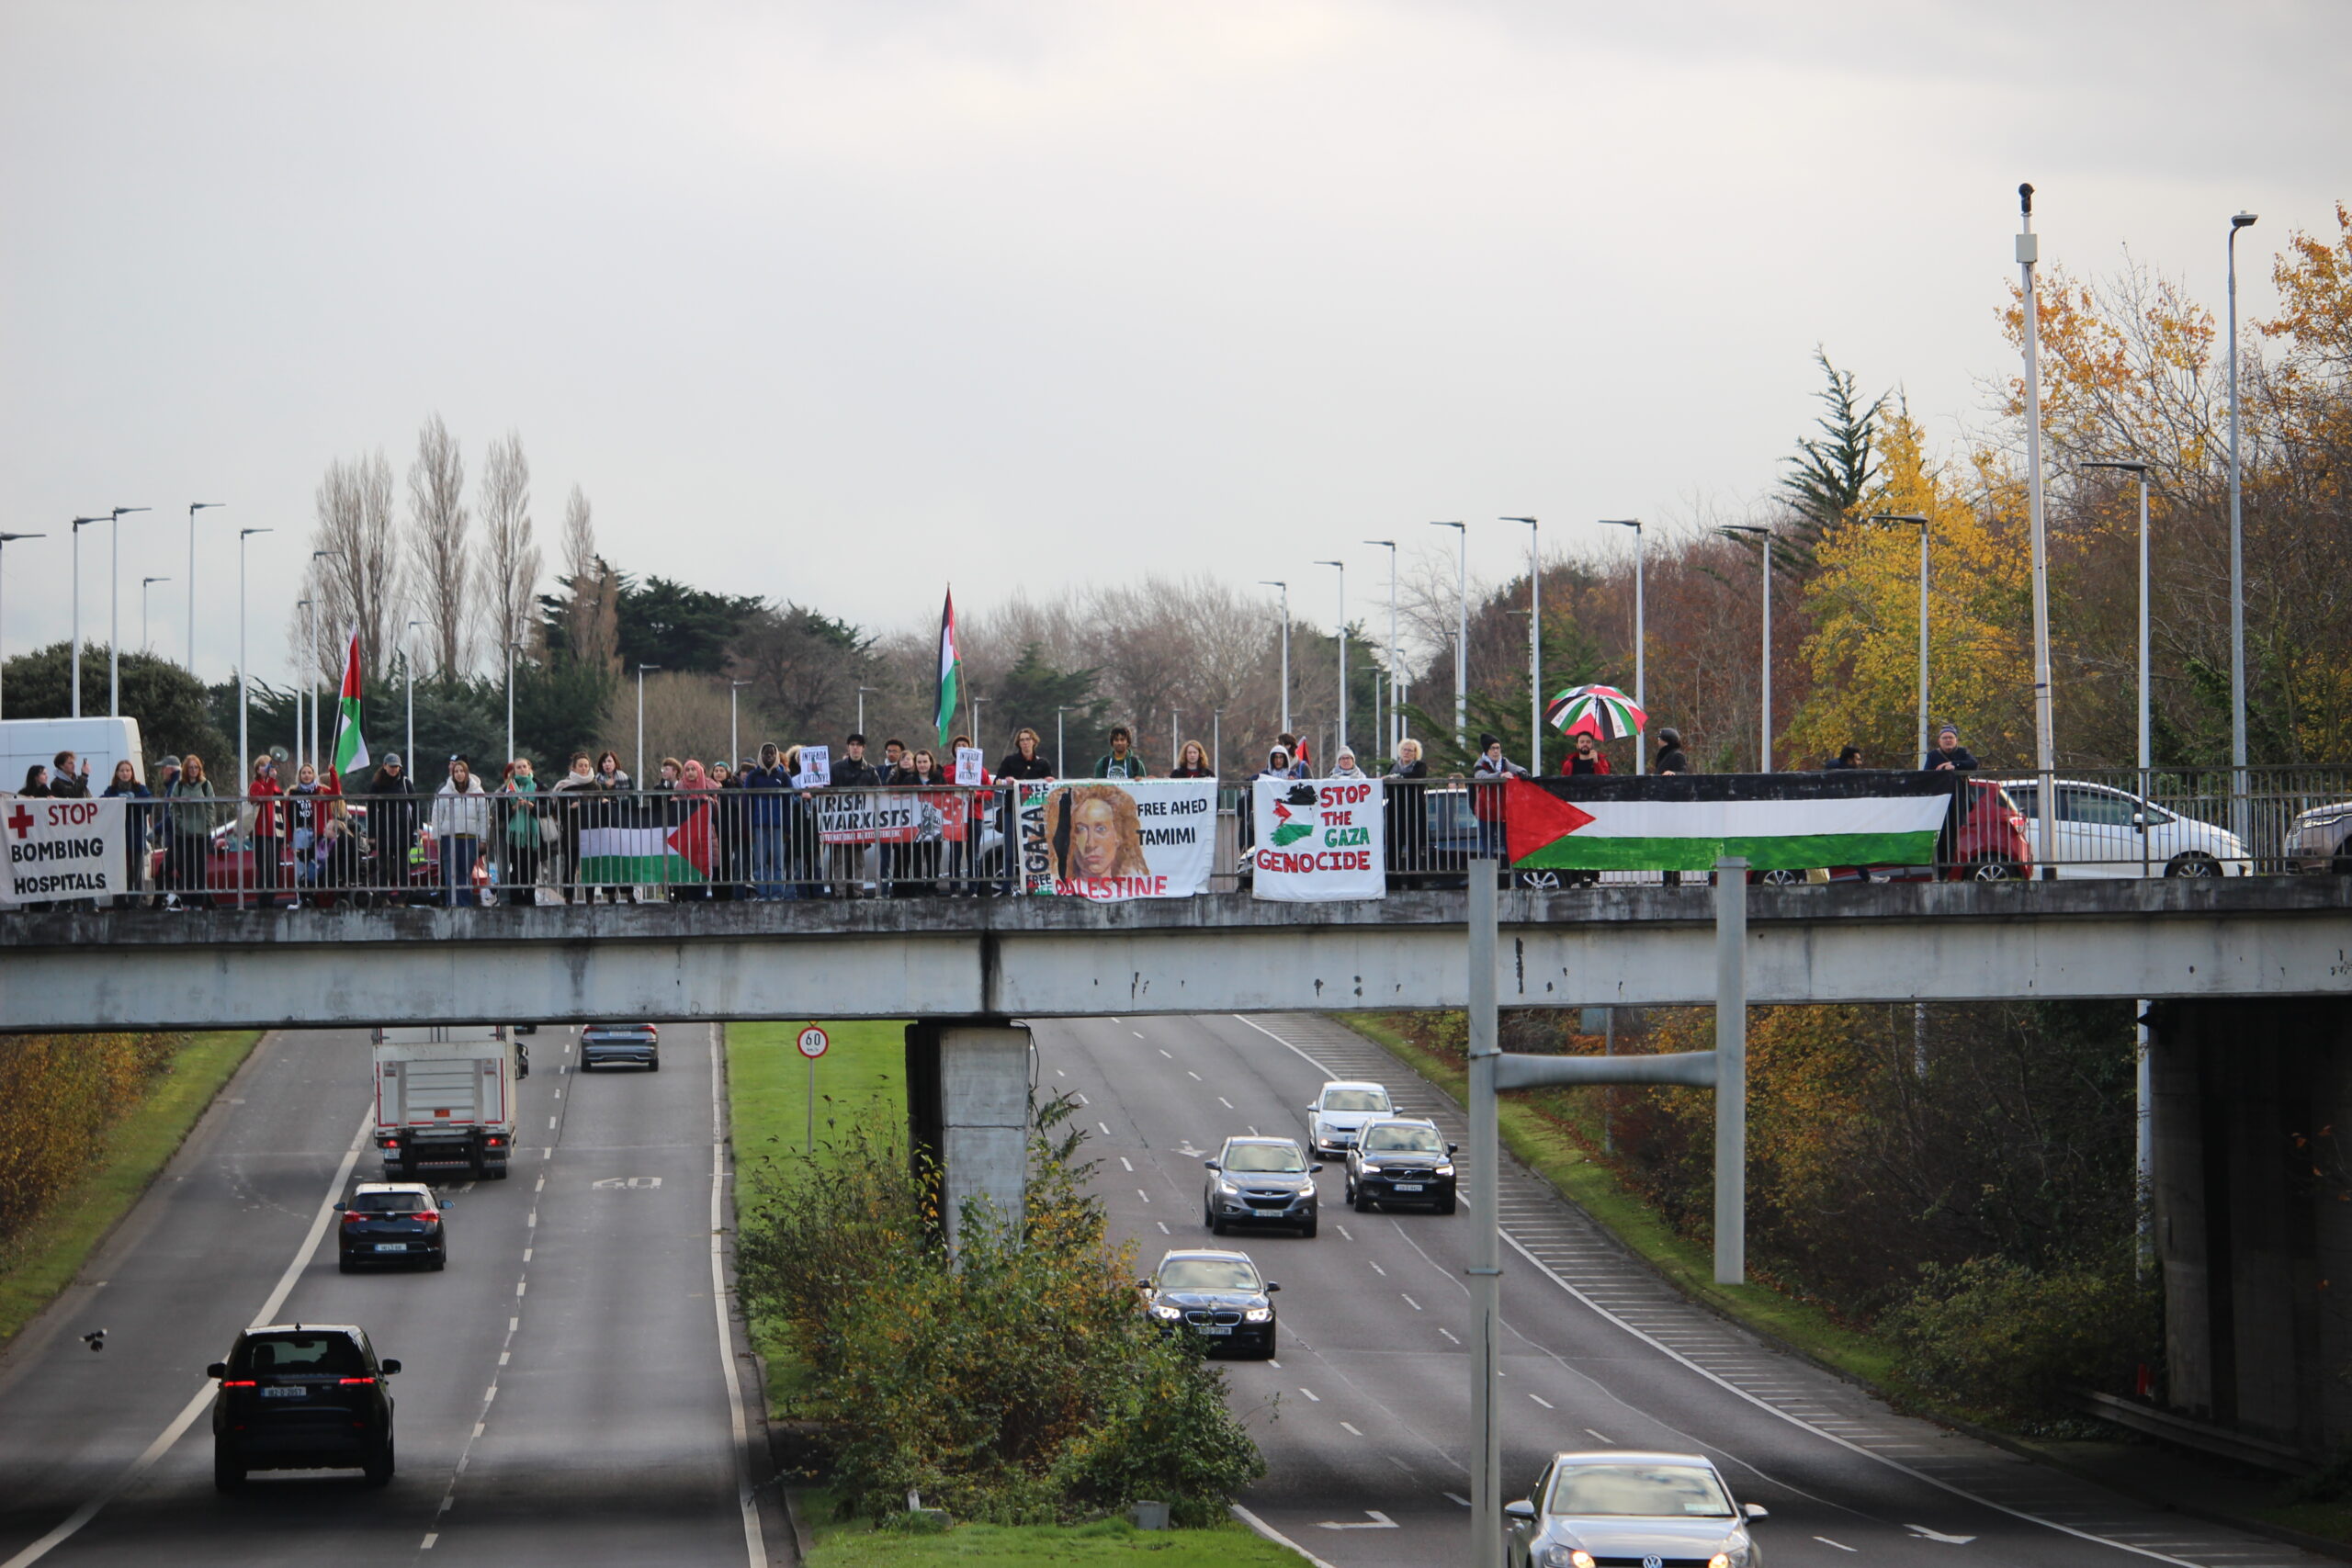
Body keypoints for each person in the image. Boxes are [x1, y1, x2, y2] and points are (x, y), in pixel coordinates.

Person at [1048, 783, 1151, 883]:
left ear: (1118, 836)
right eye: (1081, 829)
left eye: (1101, 829)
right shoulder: (1057, 887)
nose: (1090, 844)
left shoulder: (1134, 888)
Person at [162, 753, 223, 908]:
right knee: (186, 870)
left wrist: (208, 824)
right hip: (183, 834)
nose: (193, 770)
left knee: (200, 870)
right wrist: (180, 824)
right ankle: (187, 903)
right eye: (190, 767)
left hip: (202, 834)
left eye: (196, 767)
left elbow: (211, 806)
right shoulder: (179, 786)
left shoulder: (205, 785)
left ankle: (199, 903)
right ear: (185, 769)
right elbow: (173, 807)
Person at [432, 756, 492, 908]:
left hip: (470, 836)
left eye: (461, 771)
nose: (459, 774)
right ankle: (451, 902)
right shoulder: (445, 792)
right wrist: (436, 837)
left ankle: (465, 903)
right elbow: (437, 815)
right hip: (448, 837)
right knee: (450, 871)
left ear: (467, 772)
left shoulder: (478, 792)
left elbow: (484, 817)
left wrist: (483, 839)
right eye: (456, 771)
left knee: (465, 872)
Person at [888, 746, 948, 895]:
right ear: (916, 764)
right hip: (915, 827)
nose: (922, 765)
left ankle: (931, 888)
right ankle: (917, 889)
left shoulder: (940, 779)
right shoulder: (909, 780)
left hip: (936, 827)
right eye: (919, 762)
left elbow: (947, 798)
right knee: (916, 861)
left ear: (930, 763)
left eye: (925, 762)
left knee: (933, 860)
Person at [739, 742, 795, 900]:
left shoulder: (784, 777)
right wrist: (748, 828)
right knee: (760, 863)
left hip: (779, 826)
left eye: (772, 753)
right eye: (766, 753)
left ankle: (777, 894)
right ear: (761, 756)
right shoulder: (753, 776)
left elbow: (788, 803)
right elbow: (746, 802)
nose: (769, 756)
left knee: (778, 863)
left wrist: (788, 829)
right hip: (758, 826)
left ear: (776, 755)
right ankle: (762, 894)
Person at [368, 753, 422, 901]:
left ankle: (403, 897)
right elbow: (371, 810)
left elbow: (415, 804)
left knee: (404, 867)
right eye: (391, 766)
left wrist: (418, 826)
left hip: (403, 831)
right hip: (384, 831)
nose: (394, 769)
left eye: (396, 766)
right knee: (383, 867)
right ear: (384, 766)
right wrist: (371, 835)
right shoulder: (376, 784)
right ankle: (383, 896)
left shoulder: (405, 782)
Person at [101, 759, 153, 907]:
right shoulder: (111, 790)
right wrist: (115, 801)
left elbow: (149, 805)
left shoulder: (140, 789)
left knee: (135, 874)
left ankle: (134, 904)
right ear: (117, 773)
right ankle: (119, 903)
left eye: (128, 770)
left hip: (135, 838)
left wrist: (134, 801)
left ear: (132, 773)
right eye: (122, 770)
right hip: (117, 840)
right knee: (119, 874)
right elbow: (102, 804)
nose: (125, 773)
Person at [1385, 738, 1430, 885]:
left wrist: (1395, 778)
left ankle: (1414, 882)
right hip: (1395, 812)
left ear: (1415, 753)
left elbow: (1416, 777)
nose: (1407, 753)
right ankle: (1393, 882)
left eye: (1410, 750)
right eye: (1405, 749)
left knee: (1413, 848)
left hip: (1414, 813)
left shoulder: (1420, 766)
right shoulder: (1392, 767)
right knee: (1393, 847)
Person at [498, 759, 543, 905]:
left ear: (530, 769)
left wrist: (533, 807)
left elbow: (548, 808)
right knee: (516, 867)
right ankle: (516, 898)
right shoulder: (508, 788)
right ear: (514, 771)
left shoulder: (538, 786)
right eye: (519, 767)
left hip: (533, 834)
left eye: (525, 766)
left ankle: (530, 898)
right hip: (514, 835)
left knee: (531, 868)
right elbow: (499, 812)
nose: (522, 769)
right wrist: (513, 808)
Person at [285, 762, 328, 903]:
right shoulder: (292, 792)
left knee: (315, 866)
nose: (307, 775)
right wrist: (288, 837)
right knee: (300, 868)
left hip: (316, 832)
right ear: (299, 775)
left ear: (313, 775)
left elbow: (335, 791)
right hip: (300, 832)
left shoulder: (319, 791)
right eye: (304, 772)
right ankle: (300, 900)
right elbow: (287, 815)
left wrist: (332, 773)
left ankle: (314, 898)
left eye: (309, 772)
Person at [248, 755, 288, 907]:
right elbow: (264, 798)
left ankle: (270, 901)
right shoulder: (256, 785)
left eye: (268, 765)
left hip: (275, 833)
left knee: (274, 871)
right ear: (257, 770)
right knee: (265, 869)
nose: (267, 768)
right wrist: (271, 780)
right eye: (263, 766)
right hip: (261, 832)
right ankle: (263, 902)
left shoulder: (275, 786)